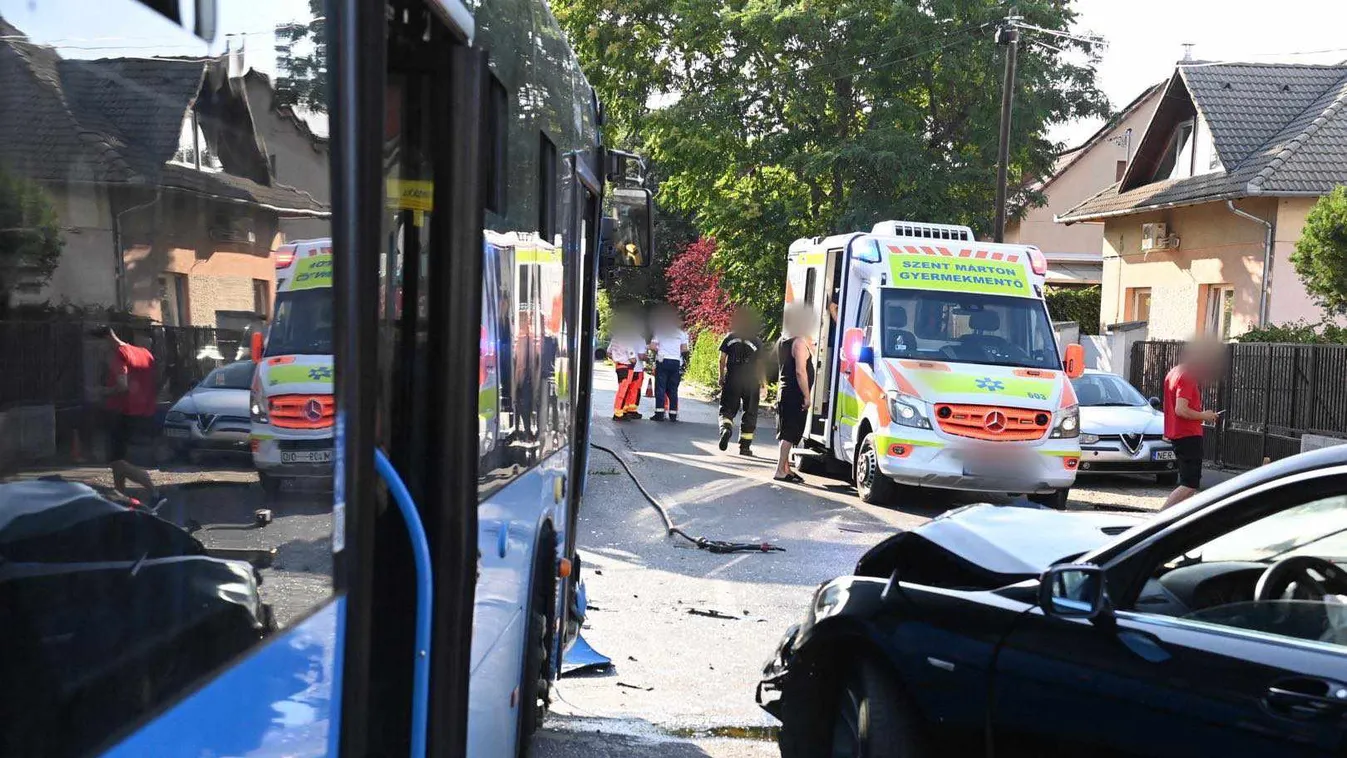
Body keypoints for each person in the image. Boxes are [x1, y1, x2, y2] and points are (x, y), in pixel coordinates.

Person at [91, 325, 163, 506]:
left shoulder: (118, 354)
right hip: (143, 412)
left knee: (116, 462)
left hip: (121, 413)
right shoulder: (144, 353)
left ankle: (154, 491)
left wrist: (101, 391)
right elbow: (155, 380)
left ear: (107, 339)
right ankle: (120, 499)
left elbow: (122, 386)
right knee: (119, 458)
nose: (97, 351)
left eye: (97, 345)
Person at [1162, 340, 1222, 509]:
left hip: (1179, 434)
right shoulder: (1187, 375)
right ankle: (1159, 517)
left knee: (1188, 482)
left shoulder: (1174, 372)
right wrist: (1206, 415)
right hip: (1187, 435)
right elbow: (1181, 409)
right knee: (1190, 484)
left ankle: (1178, 517)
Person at [775, 305, 815, 483]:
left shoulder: (783, 340)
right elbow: (800, 371)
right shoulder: (798, 343)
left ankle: (786, 468)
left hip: (785, 391)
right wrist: (806, 396)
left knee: (786, 432)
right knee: (790, 432)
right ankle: (780, 470)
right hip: (794, 393)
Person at [718, 308, 764, 456]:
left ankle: (726, 428)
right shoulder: (757, 341)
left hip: (733, 377)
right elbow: (760, 365)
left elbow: (721, 359)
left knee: (727, 408)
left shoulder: (730, 338)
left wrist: (721, 376)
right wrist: (763, 383)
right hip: (751, 381)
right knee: (750, 412)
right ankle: (745, 447)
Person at [649, 306, 690, 422]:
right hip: (676, 362)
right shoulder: (681, 334)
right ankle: (673, 414)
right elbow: (685, 349)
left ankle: (659, 414)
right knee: (673, 389)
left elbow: (652, 346)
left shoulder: (660, 331)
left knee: (660, 388)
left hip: (663, 361)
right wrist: (674, 351)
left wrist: (661, 350)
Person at [607, 309, 645, 420]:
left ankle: (620, 411)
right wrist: (632, 361)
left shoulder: (615, 338)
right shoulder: (628, 340)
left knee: (621, 389)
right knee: (623, 391)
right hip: (627, 367)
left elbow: (609, 353)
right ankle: (619, 413)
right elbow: (633, 358)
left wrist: (617, 358)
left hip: (618, 366)